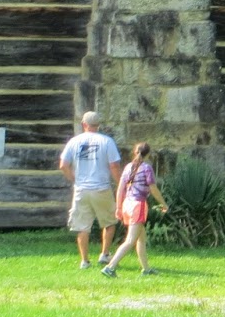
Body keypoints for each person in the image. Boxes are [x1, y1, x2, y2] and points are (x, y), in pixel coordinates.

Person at [58, 111, 121, 269]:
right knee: (109, 222)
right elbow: (114, 166)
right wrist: (121, 184)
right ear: (98, 125)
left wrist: (74, 179)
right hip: (101, 188)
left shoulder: (74, 141)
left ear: (84, 124)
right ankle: (104, 254)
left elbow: (63, 165)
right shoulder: (107, 141)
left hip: (82, 188)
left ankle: (85, 261)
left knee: (82, 226)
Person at [101, 142, 168, 278]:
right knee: (130, 240)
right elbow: (153, 189)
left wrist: (119, 207)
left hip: (127, 204)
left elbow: (120, 189)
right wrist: (164, 204)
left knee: (141, 238)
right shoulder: (146, 168)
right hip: (138, 205)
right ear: (148, 154)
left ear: (135, 152)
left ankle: (146, 269)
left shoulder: (128, 167)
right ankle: (110, 267)